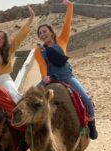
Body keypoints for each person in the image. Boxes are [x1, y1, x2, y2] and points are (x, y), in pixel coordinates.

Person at [34, 0, 98, 140]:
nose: (43, 34)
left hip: (67, 77)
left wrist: (70, 6)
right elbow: (42, 65)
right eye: (40, 33)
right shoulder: (38, 50)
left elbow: (67, 24)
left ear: (51, 32)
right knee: (29, 97)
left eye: (45, 31)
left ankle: (92, 123)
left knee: (86, 98)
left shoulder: (62, 40)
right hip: (50, 78)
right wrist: (44, 76)